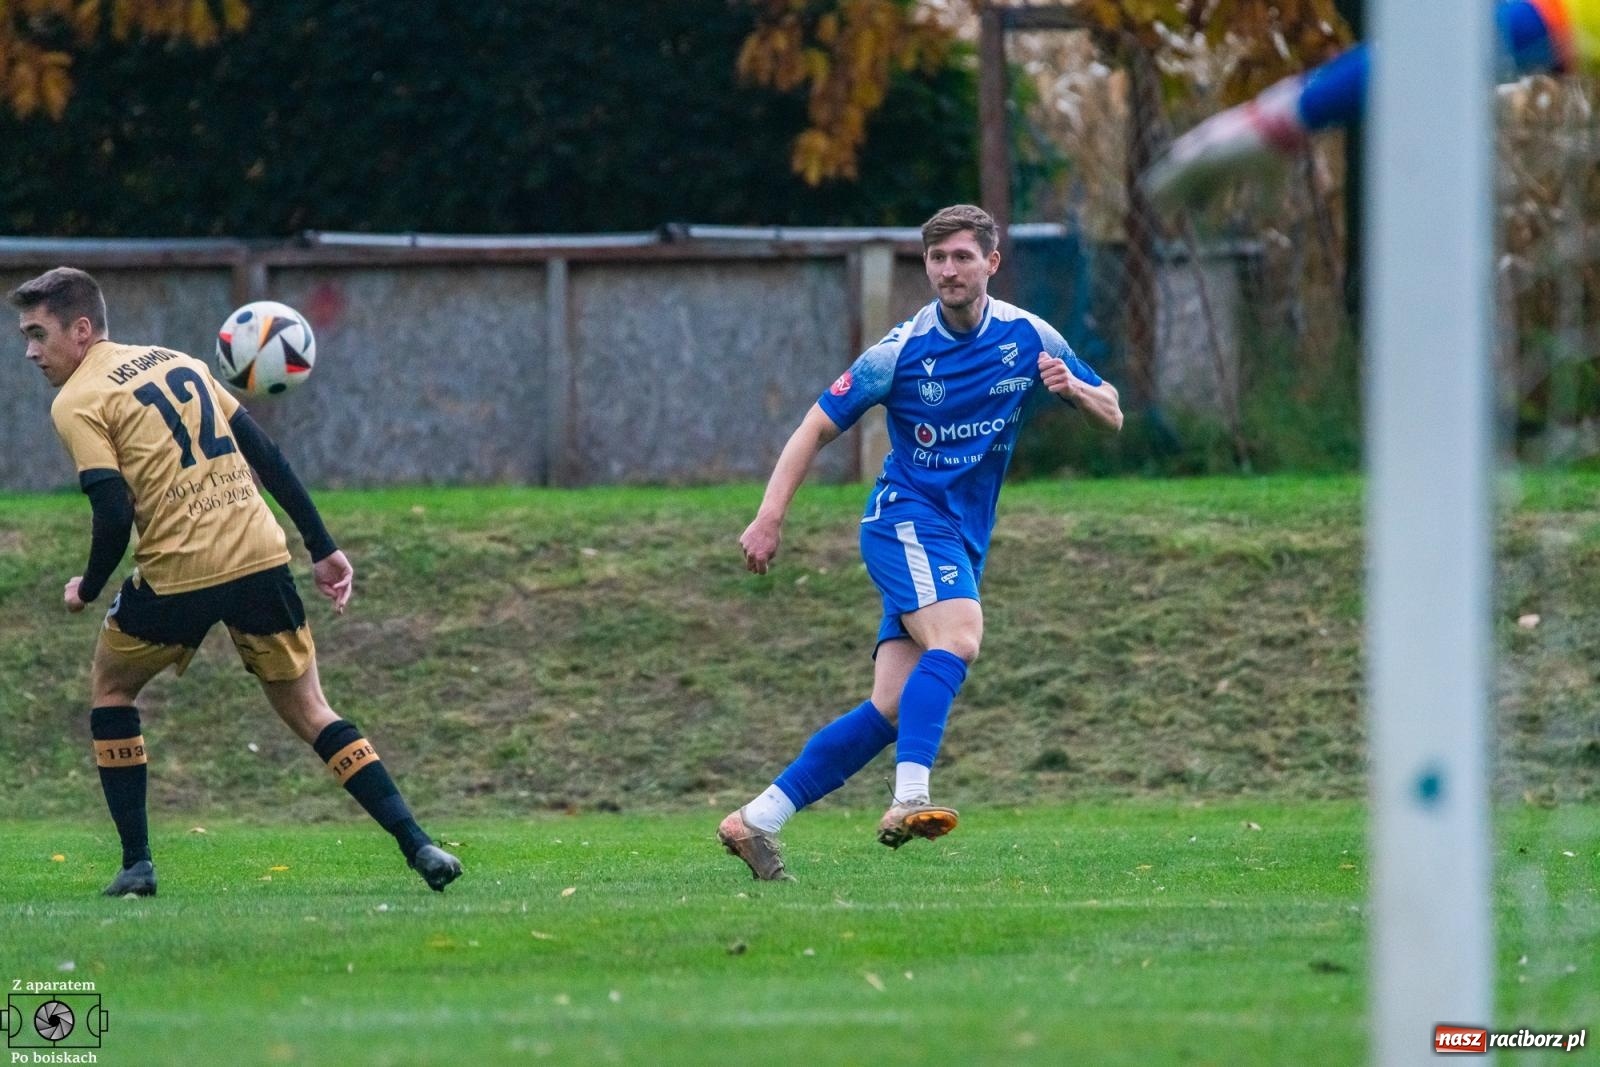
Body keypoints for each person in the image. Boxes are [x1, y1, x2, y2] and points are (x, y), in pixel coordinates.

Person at [12, 267, 462, 897]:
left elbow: (112, 512)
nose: (30, 351)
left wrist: (87, 587)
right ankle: (418, 844)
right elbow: (266, 456)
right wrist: (323, 547)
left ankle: (137, 864)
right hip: (260, 557)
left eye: (37, 334)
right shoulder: (181, 361)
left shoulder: (77, 401)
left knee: (113, 691)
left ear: (81, 330)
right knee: (311, 710)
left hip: (177, 572)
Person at [718, 205, 1123, 881]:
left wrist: (1076, 390)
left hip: (957, 540)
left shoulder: (1028, 336)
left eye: (962, 257)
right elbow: (815, 426)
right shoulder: (900, 351)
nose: (947, 270)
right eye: (936, 258)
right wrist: (770, 516)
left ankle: (757, 818)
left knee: (892, 705)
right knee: (960, 635)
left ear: (991, 263)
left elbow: (1112, 412)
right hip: (903, 520)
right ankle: (909, 798)